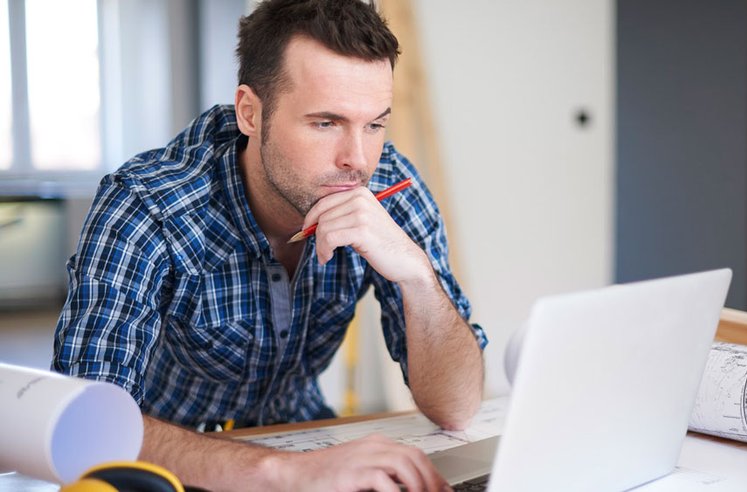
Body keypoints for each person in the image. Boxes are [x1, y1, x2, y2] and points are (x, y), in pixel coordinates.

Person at [52, 0, 486, 490]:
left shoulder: (391, 190)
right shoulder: (148, 205)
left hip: (307, 443)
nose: (358, 160)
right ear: (250, 113)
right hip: (164, 465)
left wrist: (416, 276)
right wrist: (280, 473)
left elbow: (457, 406)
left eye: (375, 124)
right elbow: (81, 422)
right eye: (326, 123)